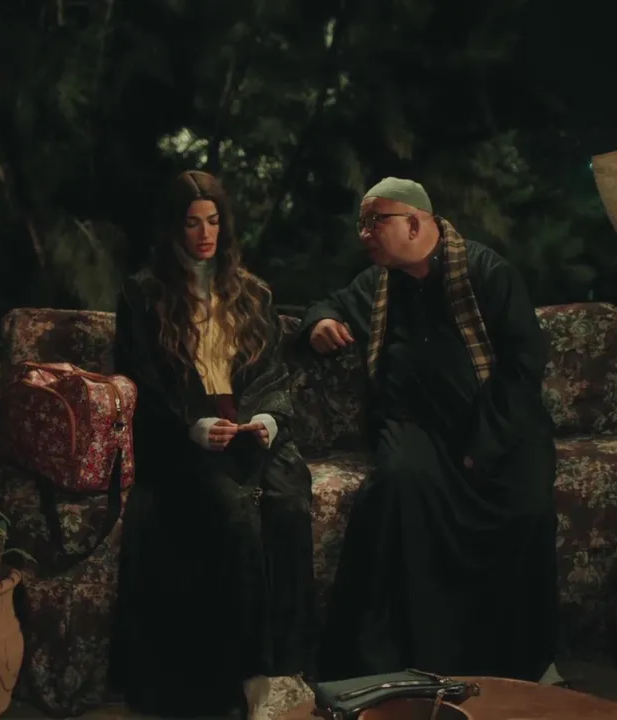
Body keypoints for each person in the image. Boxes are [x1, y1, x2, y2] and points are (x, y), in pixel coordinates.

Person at [304, 177, 564, 685]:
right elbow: (325, 305)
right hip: (414, 426)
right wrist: (319, 324)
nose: (364, 235)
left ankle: (523, 663)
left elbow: (522, 368)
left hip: (494, 423)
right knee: (400, 485)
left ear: (414, 223)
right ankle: (401, 664)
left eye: (375, 222)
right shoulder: (379, 284)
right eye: (362, 224)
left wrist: (482, 448)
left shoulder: (487, 273)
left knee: (526, 502)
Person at [109, 170, 314, 719]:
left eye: (213, 221)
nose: (205, 234)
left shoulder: (251, 293)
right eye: (193, 223)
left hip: (248, 425)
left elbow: (272, 373)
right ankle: (249, 674)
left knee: (290, 504)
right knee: (234, 513)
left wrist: (267, 419)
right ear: (173, 228)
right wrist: (190, 426)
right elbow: (141, 378)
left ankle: (289, 666)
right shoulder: (144, 294)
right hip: (181, 436)